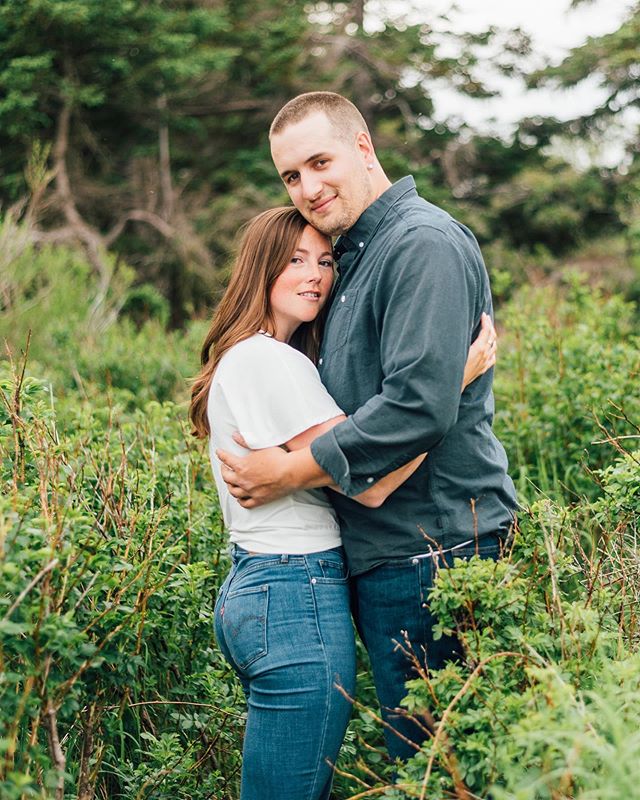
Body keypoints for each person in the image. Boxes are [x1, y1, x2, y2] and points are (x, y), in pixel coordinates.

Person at [216, 92, 519, 762]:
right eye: (291, 176)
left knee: (443, 766)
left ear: (363, 148)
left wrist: (290, 472)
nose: (308, 187)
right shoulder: (348, 257)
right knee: (424, 762)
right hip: (387, 558)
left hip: (435, 552)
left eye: (320, 162)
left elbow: (415, 406)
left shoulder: (420, 244)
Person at [190, 206, 498, 800]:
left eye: (326, 261)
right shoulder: (269, 360)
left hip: (269, 585)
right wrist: (450, 384)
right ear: (259, 270)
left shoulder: (266, 358)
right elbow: (376, 482)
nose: (315, 276)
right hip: (294, 590)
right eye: (295, 261)